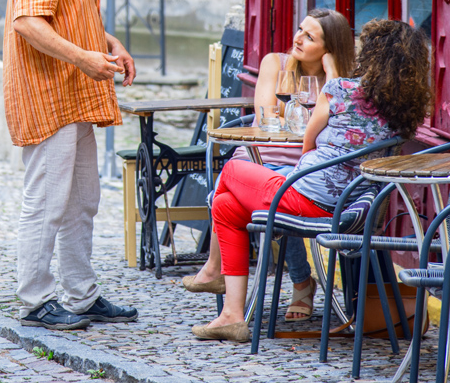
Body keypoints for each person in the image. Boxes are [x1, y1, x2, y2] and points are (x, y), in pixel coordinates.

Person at [183, 19, 432, 341]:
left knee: (230, 170)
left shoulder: (341, 89)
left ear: (371, 55)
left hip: (308, 198)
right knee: (226, 205)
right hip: (351, 205)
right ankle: (231, 316)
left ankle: (227, 283)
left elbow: (308, 143)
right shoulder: (404, 109)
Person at [3, 0, 139, 330]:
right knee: (46, 201)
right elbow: (28, 23)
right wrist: (84, 57)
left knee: (82, 199)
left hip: (73, 93)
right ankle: (35, 300)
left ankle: (81, 294)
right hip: (48, 96)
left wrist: (109, 42)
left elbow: (71, 19)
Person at [183, 9, 356, 322]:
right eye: (300, 30)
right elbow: (266, 117)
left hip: (303, 164)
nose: (298, 39)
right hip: (258, 156)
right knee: (258, 195)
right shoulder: (275, 63)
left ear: (329, 49)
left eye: (310, 36)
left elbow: (333, 127)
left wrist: (331, 79)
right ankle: (301, 282)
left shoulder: (342, 82)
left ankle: (218, 273)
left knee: (252, 198)